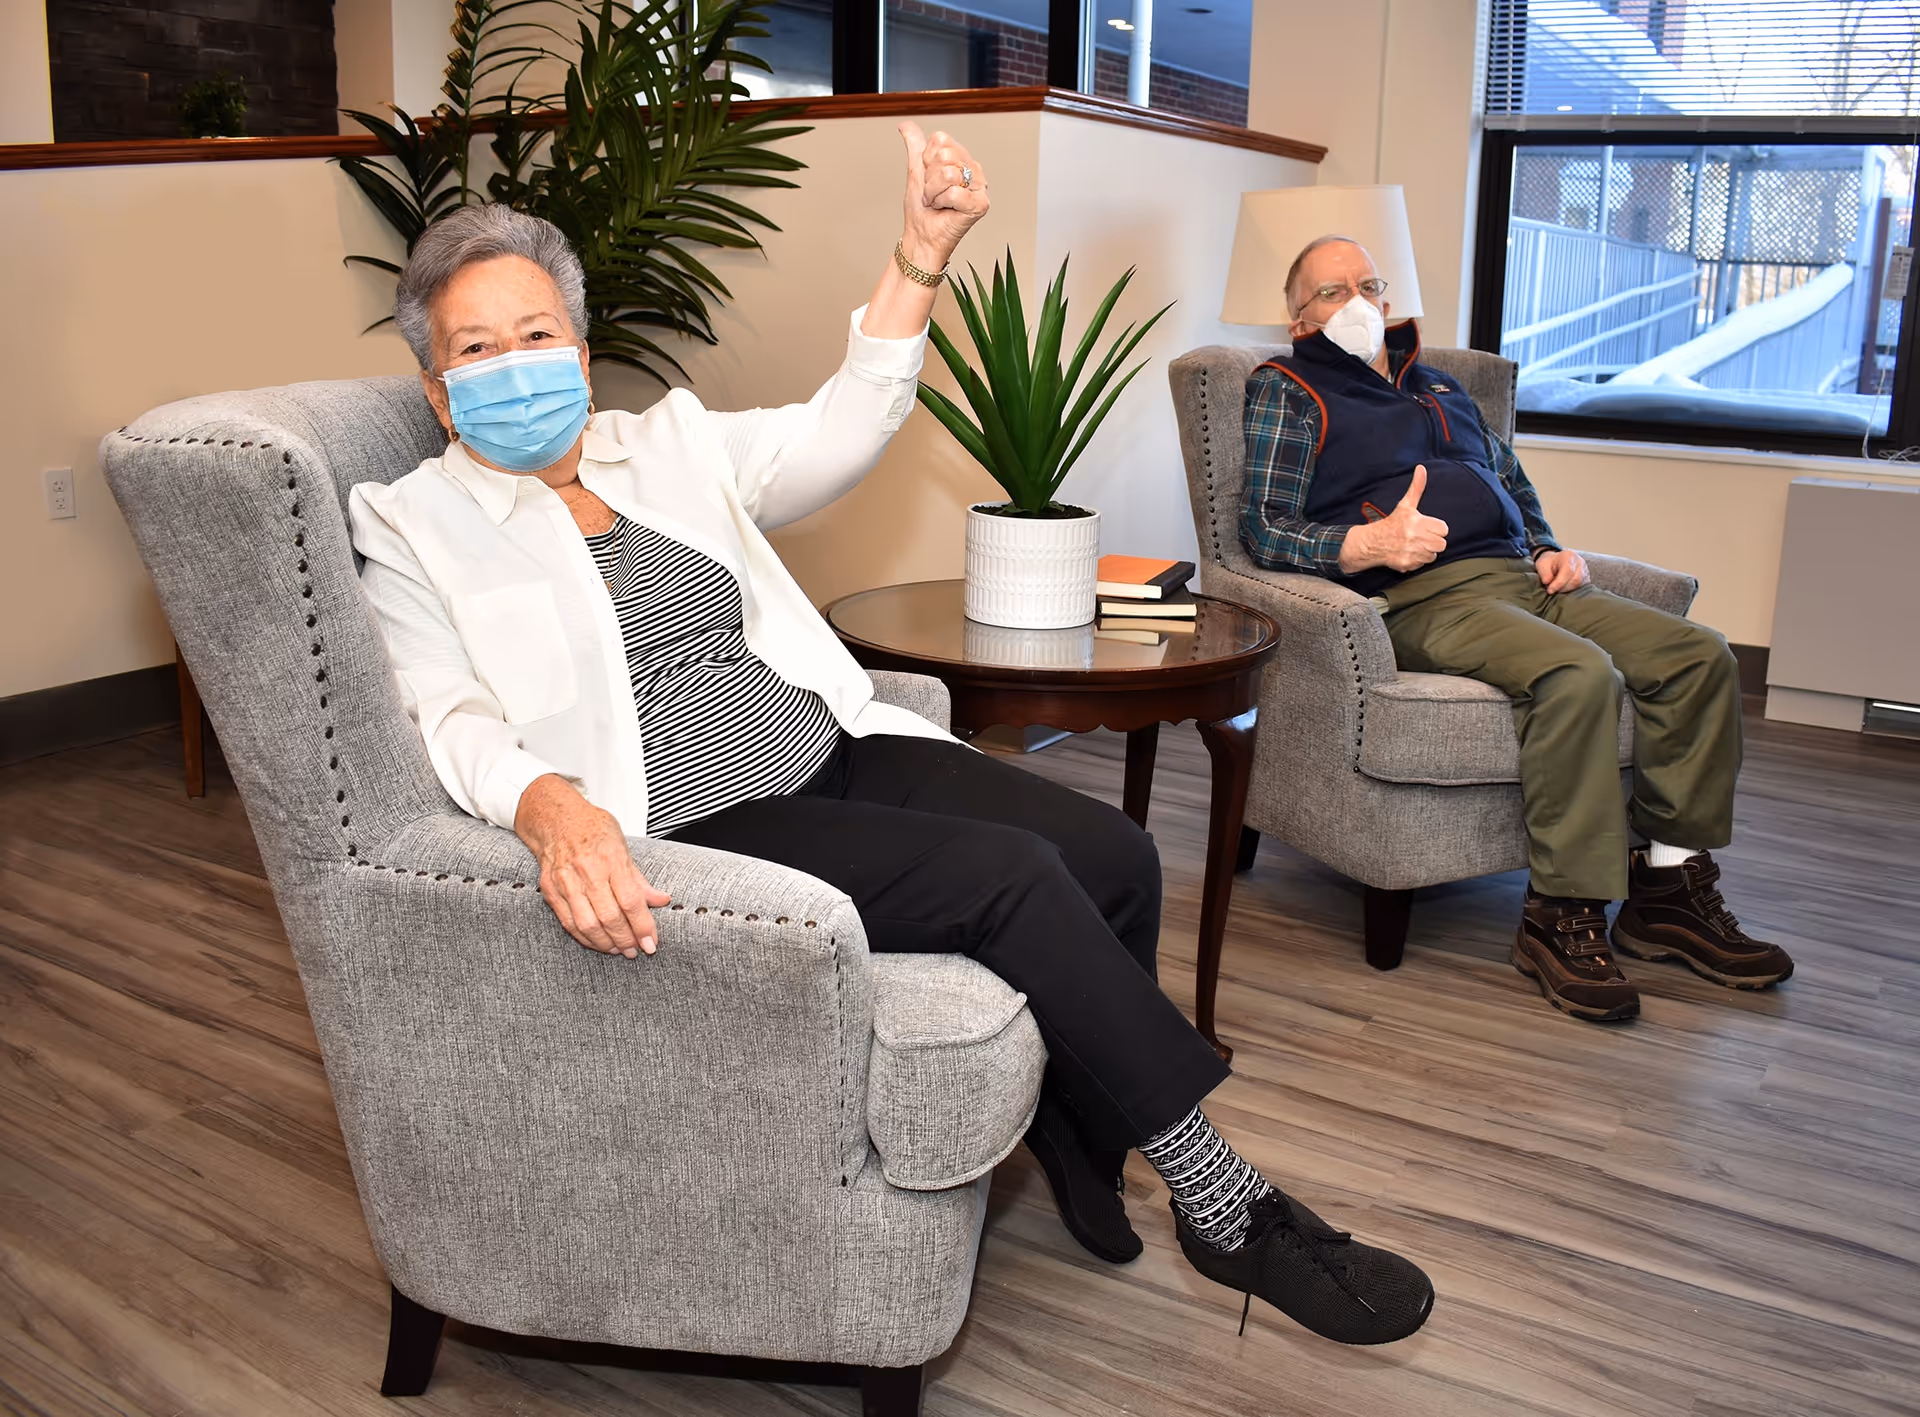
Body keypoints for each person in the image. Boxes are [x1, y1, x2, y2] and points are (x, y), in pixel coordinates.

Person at [347, 131, 1434, 1346]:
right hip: (701, 820)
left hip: (830, 745)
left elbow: (843, 425)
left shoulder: (664, 446)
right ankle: (1224, 1200)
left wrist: (920, 253)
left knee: (1118, 857)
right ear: (438, 391)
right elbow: (446, 710)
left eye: (537, 334)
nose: (515, 365)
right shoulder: (412, 521)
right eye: (476, 350)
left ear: (582, 352)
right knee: (1013, 881)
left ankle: (1083, 1133)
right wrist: (549, 806)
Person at [1239, 234, 1795, 1023]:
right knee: (1577, 674)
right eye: (1333, 291)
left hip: (1523, 576)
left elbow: (1513, 483)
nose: (1359, 303)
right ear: (1298, 318)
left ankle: (1667, 888)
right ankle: (1558, 915)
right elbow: (1261, 527)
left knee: (1700, 656)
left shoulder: (1441, 388)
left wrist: (1546, 545)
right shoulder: (1288, 387)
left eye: (1369, 284)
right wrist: (1363, 544)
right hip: (1425, 593)